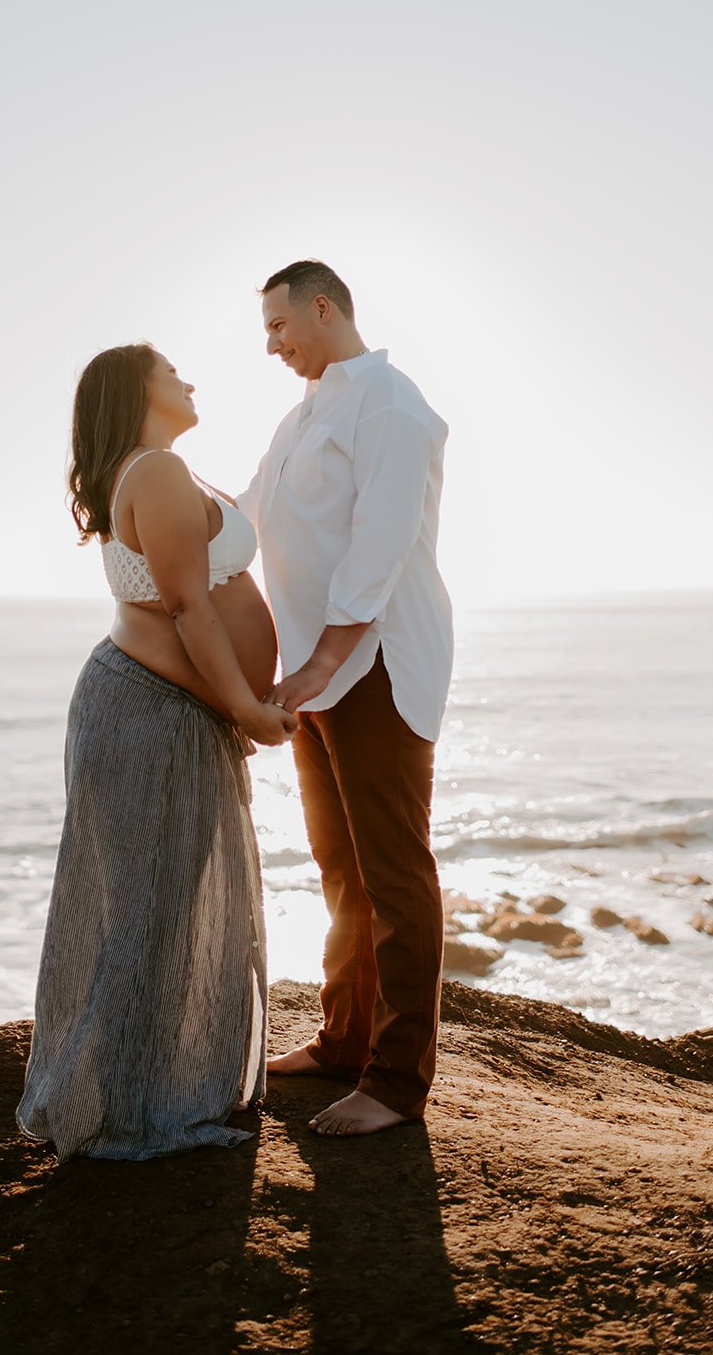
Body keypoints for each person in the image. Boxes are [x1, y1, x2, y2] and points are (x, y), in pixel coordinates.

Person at [17, 342, 297, 1161]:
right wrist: (246, 706)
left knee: (160, 903)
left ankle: (148, 1090)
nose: (188, 379)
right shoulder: (159, 474)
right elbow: (185, 607)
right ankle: (130, 1109)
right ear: (136, 389)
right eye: (171, 370)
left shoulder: (164, 470)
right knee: (147, 910)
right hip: (150, 712)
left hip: (163, 710)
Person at [237, 261, 453, 1137]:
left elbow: (381, 544)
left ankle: (397, 1085)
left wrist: (323, 660)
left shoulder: (390, 404)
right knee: (339, 871)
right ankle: (342, 1040)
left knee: (395, 876)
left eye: (279, 326)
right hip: (315, 674)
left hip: (375, 667)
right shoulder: (303, 414)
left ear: (322, 308)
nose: (272, 345)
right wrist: (148, 482)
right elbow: (245, 515)